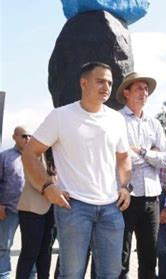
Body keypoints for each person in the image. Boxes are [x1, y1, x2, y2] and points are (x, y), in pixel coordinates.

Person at [21, 62, 132, 278]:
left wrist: (126, 187)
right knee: (71, 274)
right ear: (84, 83)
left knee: (110, 274)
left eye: (109, 82)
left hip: (111, 208)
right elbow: (30, 153)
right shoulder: (60, 116)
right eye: (100, 81)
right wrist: (47, 187)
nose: (106, 87)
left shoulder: (116, 119)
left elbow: (124, 157)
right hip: (73, 207)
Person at [116, 72, 166, 278]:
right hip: (125, 196)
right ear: (126, 92)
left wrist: (142, 151)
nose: (144, 92)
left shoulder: (154, 123)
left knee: (150, 258)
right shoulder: (117, 120)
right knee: (121, 256)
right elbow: (120, 156)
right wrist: (149, 156)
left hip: (152, 197)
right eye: (139, 88)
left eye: (146, 89)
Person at [16, 149, 56, 279]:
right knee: (30, 252)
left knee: (46, 251)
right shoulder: (34, 152)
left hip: (52, 209)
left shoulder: (60, 154)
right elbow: (34, 178)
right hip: (32, 209)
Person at [0, 126, 30, 278]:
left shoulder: (35, 157)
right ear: (14, 137)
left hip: (31, 212)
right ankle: (3, 275)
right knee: (3, 246)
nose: (28, 139)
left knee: (31, 248)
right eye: (24, 136)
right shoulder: (4, 156)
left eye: (30, 136)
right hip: (9, 210)